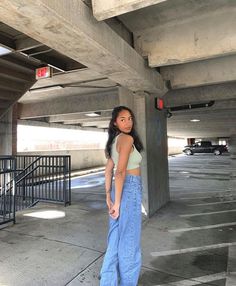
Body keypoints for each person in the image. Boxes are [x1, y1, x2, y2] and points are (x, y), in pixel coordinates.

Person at [100, 106, 143, 286]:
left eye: (130, 118)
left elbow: (108, 171)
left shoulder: (113, 141)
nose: (128, 122)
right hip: (129, 189)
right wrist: (117, 203)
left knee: (115, 240)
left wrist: (108, 197)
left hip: (119, 192)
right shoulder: (126, 138)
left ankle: (108, 282)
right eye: (123, 119)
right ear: (115, 122)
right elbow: (120, 172)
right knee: (130, 242)